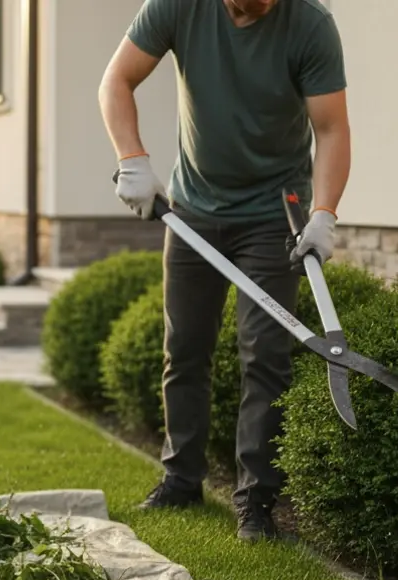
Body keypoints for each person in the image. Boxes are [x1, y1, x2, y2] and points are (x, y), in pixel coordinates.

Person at [98, 0, 351, 543]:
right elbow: (117, 80)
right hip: (193, 210)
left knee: (265, 355)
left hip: (273, 214)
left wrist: (324, 213)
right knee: (185, 348)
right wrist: (131, 159)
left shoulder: (310, 24)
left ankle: (257, 501)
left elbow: (331, 128)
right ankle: (181, 480)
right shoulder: (178, 7)